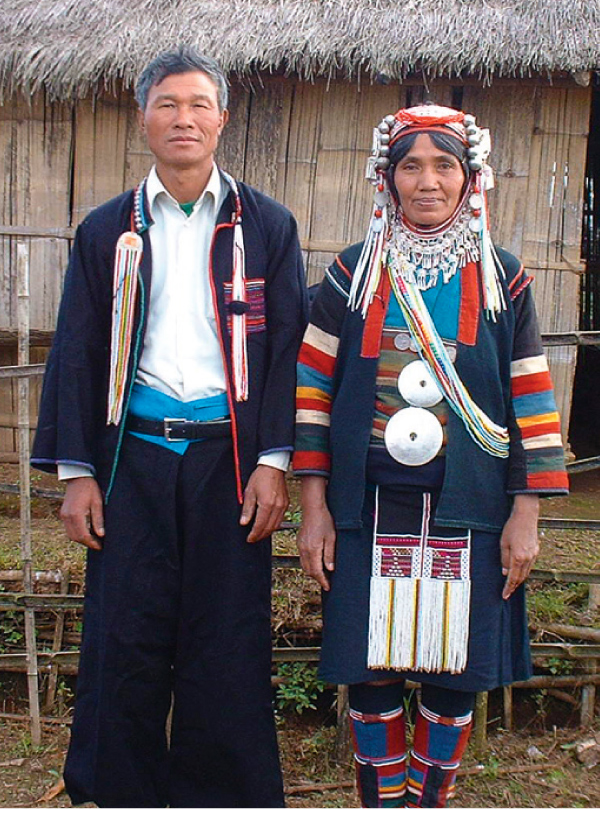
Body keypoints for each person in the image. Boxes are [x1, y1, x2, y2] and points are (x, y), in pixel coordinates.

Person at [32, 47, 308, 808]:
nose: (183, 119)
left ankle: (222, 795)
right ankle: (117, 791)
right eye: (167, 104)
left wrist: (274, 460)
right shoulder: (107, 231)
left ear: (222, 119)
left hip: (231, 462)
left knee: (228, 635)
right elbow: (79, 349)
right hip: (135, 459)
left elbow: (287, 349)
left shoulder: (268, 225)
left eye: (198, 105)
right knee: (123, 633)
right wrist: (79, 472)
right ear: (143, 119)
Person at [293, 104, 568, 808]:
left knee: (455, 675)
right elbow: (313, 393)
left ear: (471, 178)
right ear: (386, 179)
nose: (427, 181)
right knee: (370, 671)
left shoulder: (503, 279)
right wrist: (315, 507)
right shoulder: (351, 276)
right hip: (363, 508)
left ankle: (429, 801)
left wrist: (527, 514)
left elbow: (532, 399)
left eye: (444, 165)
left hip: (471, 508)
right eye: (410, 166)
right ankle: (382, 800)